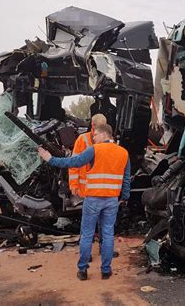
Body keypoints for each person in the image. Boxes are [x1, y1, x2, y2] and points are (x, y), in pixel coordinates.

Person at [38, 124, 130, 281]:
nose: (93, 138)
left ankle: (83, 270)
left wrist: (50, 159)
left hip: (93, 199)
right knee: (108, 234)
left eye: (95, 135)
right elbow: (126, 178)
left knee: (87, 234)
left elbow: (73, 162)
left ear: (104, 135)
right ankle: (106, 270)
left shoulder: (95, 150)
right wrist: (124, 197)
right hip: (112, 200)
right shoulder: (124, 153)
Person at [69, 113, 107, 200]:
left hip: (102, 191)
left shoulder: (109, 140)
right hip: (86, 190)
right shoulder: (82, 139)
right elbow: (74, 163)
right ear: (93, 125)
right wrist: (74, 184)